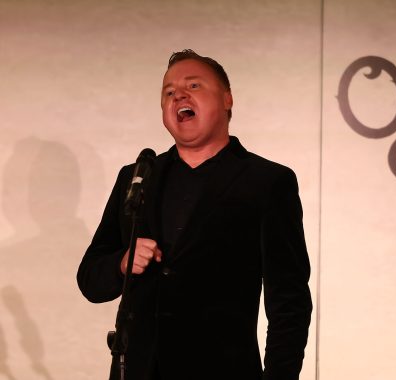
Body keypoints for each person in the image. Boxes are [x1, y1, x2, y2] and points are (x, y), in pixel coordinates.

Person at [77, 49, 312, 380]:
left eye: (193, 86)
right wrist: (122, 262)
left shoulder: (268, 182)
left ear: (227, 99)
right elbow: (90, 280)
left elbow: (289, 302)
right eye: (169, 92)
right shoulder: (138, 176)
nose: (179, 95)